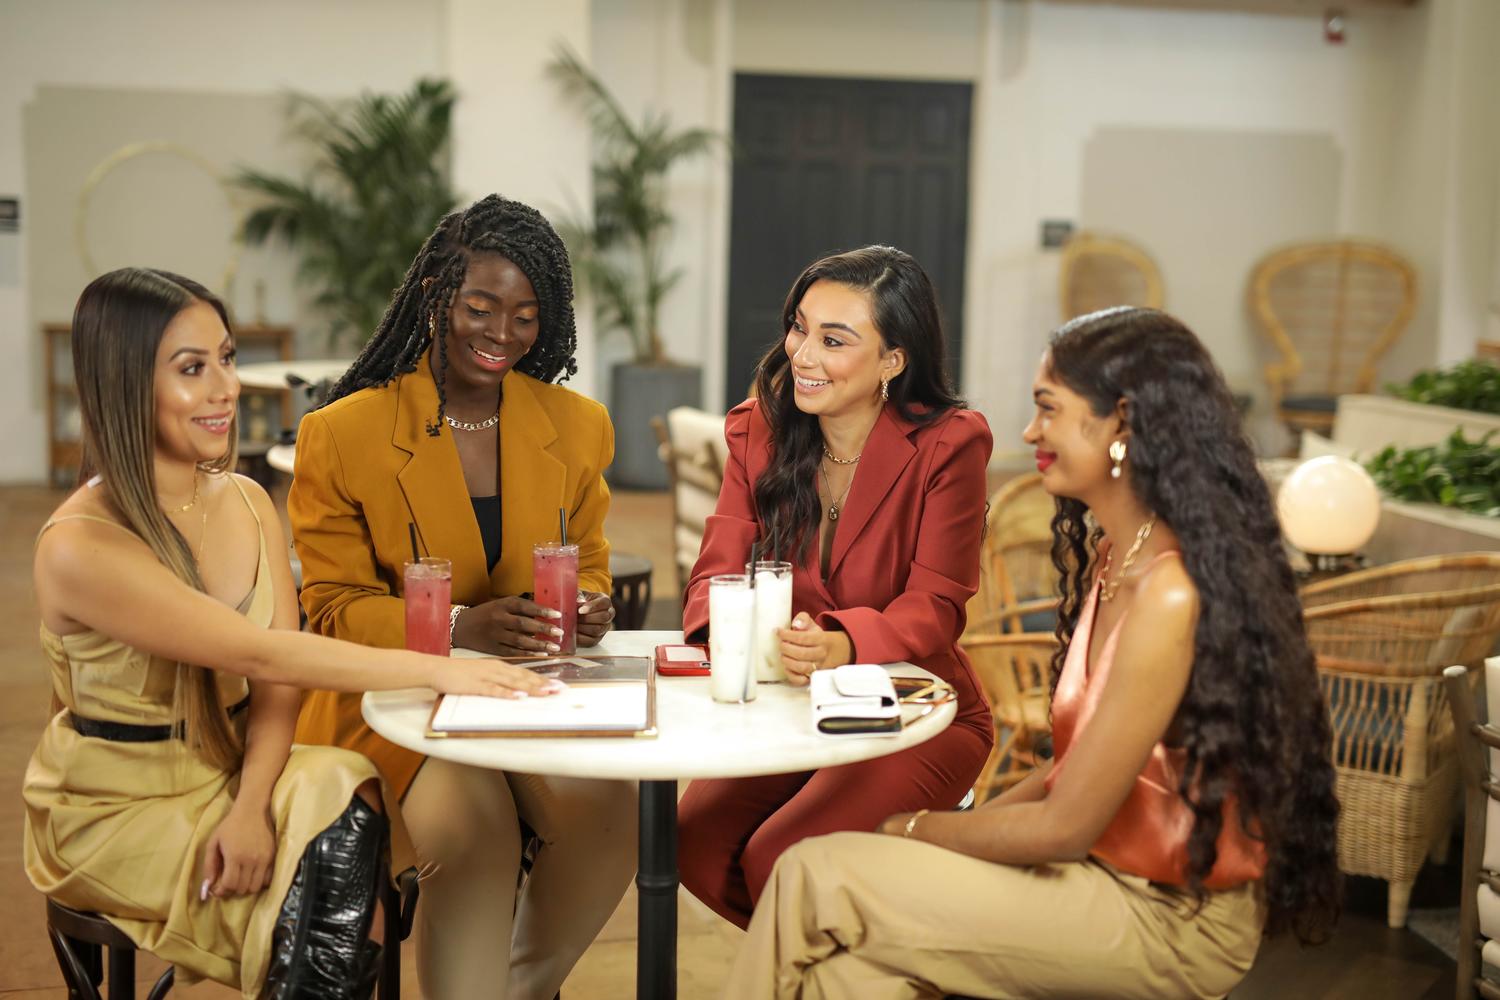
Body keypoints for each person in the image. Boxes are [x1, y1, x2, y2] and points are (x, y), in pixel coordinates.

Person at [725, 307, 1342, 1000]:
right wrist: (949, 830)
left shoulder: (1171, 591)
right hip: (1099, 873)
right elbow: (1070, 771)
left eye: (1048, 409)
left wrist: (915, 829)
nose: (1029, 432)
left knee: (812, 872)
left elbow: (1064, 828)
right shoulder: (1119, 556)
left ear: (1122, 424)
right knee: (848, 978)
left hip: (1165, 915)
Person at [24, 268, 557, 1000]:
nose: (226, 388)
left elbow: (274, 685)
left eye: (227, 358)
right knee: (332, 873)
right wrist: (443, 667)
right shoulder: (79, 545)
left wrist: (251, 807)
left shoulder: (246, 501)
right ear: (122, 382)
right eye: (192, 369)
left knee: (345, 785)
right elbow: (260, 650)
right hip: (118, 803)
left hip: (230, 772)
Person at [288, 194, 637, 999]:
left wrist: (589, 604)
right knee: (474, 835)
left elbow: (588, 559)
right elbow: (332, 606)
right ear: (437, 294)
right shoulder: (344, 434)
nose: (502, 333)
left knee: (612, 818)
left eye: (526, 316)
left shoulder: (577, 425)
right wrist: (455, 625)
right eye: (481, 308)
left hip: (528, 691)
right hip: (397, 697)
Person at [676, 245, 994, 929]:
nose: (803, 354)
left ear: (893, 360)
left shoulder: (950, 444)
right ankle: (848, 962)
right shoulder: (758, 429)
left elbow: (936, 606)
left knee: (782, 859)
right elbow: (716, 570)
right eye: (799, 328)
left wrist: (845, 644)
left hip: (913, 709)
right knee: (694, 842)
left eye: (834, 340)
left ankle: (843, 963)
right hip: (789, 702)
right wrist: (727, 639)